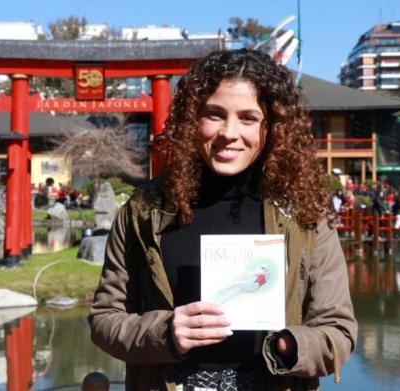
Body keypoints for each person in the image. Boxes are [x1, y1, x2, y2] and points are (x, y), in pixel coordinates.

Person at [89, 49, 357, 390]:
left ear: (272, 127)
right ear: (191, 119)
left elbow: (340, 331)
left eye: (248, 118)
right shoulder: (145, 211)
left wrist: (289, 346)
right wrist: (165, 332)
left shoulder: (305, 215)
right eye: (214, 115)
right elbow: (104, 321)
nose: (229, 133)